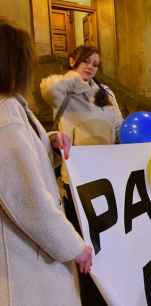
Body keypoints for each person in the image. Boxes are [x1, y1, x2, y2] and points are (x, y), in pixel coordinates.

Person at [0, 20, 92, 306]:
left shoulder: (12, 108)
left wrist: (50, 141)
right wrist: (74, 246)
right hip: (27, 260)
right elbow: (28, 198)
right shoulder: (6, 117)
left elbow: (24, 160)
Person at [41, 45, 123, 306]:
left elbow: (119, 126)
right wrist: (73, 79)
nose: (91, 67)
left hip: (106, 176)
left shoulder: (106, 93)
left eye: (96, 64)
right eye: (86, 61)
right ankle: (88, 295)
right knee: (85, 240)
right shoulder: (63, 89)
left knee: (107, 240)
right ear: (73, 60)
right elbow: (49, 89)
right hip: (77, 179)